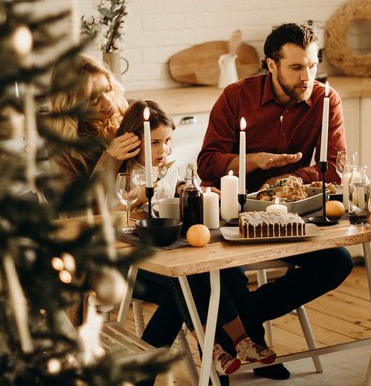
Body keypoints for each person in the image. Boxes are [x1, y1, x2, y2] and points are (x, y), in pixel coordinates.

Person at [197, 22, 354, 380]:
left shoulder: (326, 100)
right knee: (227, 268)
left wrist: (292, 179)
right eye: (297, 68)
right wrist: (254, 160)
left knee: (338, 262)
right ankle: (253, 340)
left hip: (291, 216)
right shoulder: (236, 96)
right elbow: (207, 162)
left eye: (312, 66)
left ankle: (234, 325)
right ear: (271, 65)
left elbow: (335, 169)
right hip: (232, 214)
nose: (307, 77)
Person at [115, 100, 277, 380]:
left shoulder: (168, 169)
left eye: (167, 141)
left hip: (167, 257)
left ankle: (230, 346)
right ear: (133, 140)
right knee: (188, 280)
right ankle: (223, 344)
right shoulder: (122, 176)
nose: (163, 150)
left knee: (198, 275)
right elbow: (117, 218)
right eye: (154, 142)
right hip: (132, 264)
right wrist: (136, 204)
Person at [49, 54, 140, 194]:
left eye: (108, 89)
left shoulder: (128, 112)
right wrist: (110, 158)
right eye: (93, 99)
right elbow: (76, 209)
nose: (108, 102)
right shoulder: (61, 149)